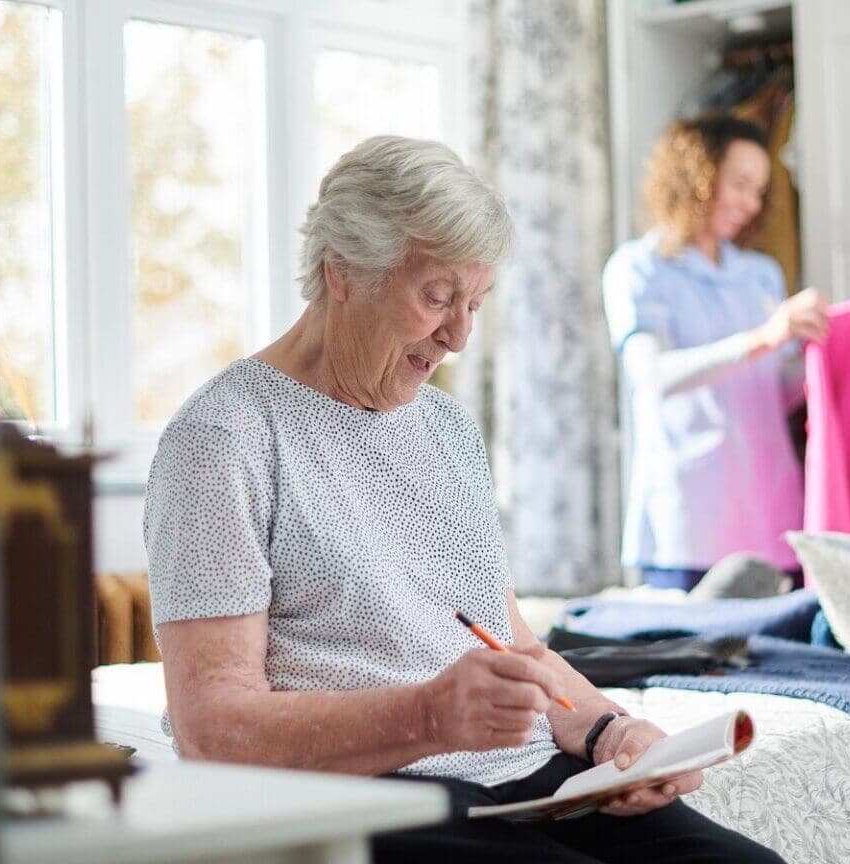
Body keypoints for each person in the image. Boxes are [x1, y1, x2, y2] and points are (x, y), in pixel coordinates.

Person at [144, 135, 785, 864]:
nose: (457, 336)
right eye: (437, 296)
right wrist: (429, 715)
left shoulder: (446, 426)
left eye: (474, 303)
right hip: (370, 790)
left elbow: (514, 642)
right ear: (343, 270)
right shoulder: (222, 438)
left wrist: (609, 732)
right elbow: (212, 731)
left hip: (524, 779)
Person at [603, 114, 828, 593]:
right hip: (689, 518)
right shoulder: (638, 269)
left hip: (770, 512)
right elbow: (654, 375)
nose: (750, 203)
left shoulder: (761, 275)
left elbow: (774, 391)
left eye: (759, 191)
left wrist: (832, 352)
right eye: (740, 185)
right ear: (697, 176)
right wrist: (764, 337)